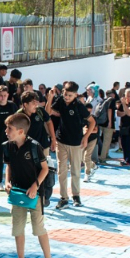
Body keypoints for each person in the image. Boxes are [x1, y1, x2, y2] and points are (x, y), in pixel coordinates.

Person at [2, 113, 55, 258]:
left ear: (20, 131)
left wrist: (35, 185)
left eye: (9, 128)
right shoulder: (9, 146)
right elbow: (9, 165)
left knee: (38, 228)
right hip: (17, 192)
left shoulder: (34, 146)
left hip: (34, 193)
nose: (6, 131)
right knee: (17, 227)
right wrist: (7, 181)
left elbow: (45, 169)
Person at [46, 81, 96, 210]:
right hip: (61, 141)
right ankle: (63, 197)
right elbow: (47, 113)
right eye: (65, 94)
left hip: (76, 143)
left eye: (70, 95)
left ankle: (76, 196)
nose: (67, 97)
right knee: (61, 170)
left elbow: (92, 122)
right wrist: (50, 98)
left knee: (75, 170)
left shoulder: (79, 106)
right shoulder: (60, 101)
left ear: (75, 95)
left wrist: (85, 137)